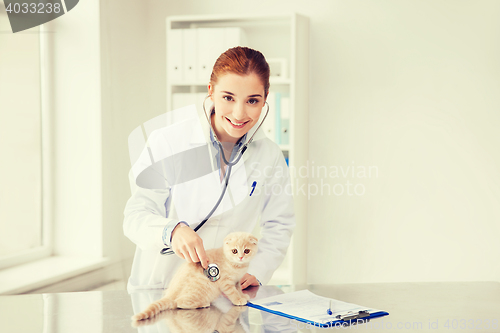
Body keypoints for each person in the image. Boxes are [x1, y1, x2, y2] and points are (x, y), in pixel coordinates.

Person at [123, 46, 295, 292]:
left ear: (265, 98)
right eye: (228, 97)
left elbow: (280, 223)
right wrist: (172, 231)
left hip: (225, 291)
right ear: (211, 92)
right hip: (163, 288)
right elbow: (135, 217)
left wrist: (258, 269)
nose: (239, 113)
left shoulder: (270, 155)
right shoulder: (168, 142)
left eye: (252, 101)